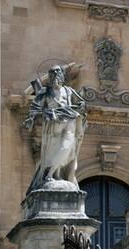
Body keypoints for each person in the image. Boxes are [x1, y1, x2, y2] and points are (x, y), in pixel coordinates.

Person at [23, 65, 86, 194]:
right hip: (53, 122)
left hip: (70, 119)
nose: (56, 74)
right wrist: (30, 119)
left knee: (67, 146)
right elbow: (35, 107)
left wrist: (80, 105)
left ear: (62, 75)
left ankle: (50, 174)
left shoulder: (68, 91)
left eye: (58, 71)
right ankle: (53, 175)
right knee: (54, 149)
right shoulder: (45, 92)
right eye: (53, 72)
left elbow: (81, 103)